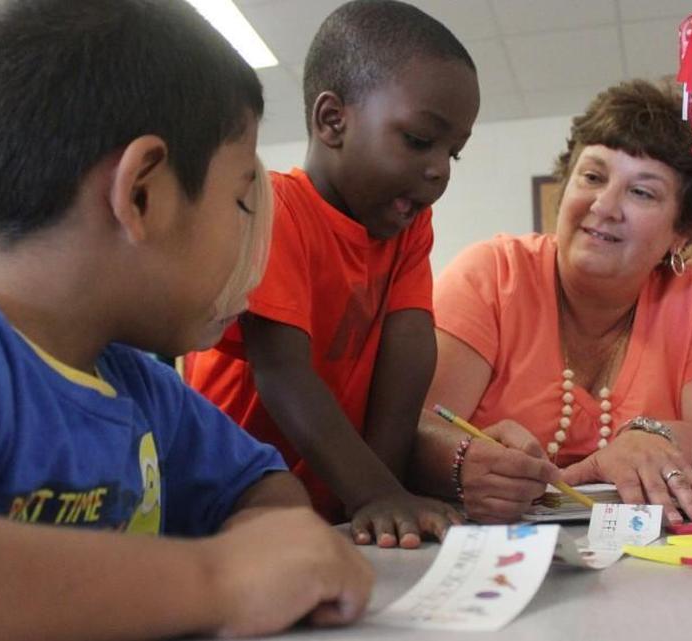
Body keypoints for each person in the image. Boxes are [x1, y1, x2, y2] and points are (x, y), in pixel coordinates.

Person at [0, 1, 372, 639]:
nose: (250, 236)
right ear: (142, 193)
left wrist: (269, 544)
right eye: (242, 199)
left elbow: (261, 484)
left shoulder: (141, 388)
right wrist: (215, 580)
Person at [186, 0, 480, 548]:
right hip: (223, 502)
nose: (439, 170)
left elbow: (409, 350)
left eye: (454, 154)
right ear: (332, 121)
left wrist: (385, 494)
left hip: (330, 505)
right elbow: (282, 371)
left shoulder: (407, 228)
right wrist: (374, 493)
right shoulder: (274, 209)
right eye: (420, 140)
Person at [411, 79, 692, 525]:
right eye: (593, 177)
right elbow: (408, 430)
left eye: (642, 192)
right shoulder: (491, 274)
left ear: (682, 233)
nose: (604, 206)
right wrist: (462, 460)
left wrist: (657, 438)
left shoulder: (690, 303)